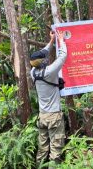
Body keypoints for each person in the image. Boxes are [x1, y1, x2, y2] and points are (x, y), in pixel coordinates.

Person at [30, 31, 67, 165]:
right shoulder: (50, 72)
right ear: (43, 62)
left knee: (43, 147)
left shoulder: (33, 72)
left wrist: (52, 40)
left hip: (43, 116)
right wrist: (61, 40)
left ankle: (39, 165)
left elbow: (42, 53)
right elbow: (63, 56)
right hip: (54, 117)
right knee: (56, 149)